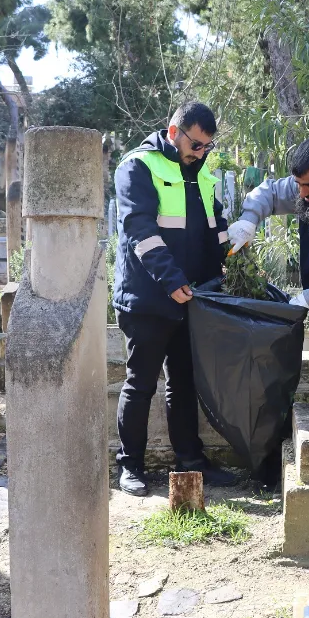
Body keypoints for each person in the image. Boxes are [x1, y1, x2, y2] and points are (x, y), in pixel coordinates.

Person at [112, 102, 239, 496]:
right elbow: (139, 229)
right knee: (140, 384)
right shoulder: (137, 166)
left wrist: (233, 262)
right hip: (147, 298)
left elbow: (215, 225)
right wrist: (171, 280)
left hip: (192, 297)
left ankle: (191, 462)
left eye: (207, 147)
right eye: (196, 144)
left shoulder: (200, 172)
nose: (200, 153)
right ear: (173, 132)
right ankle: (130, 466)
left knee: (183, 383)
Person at [228, 138, 309, 403]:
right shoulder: (304, 187)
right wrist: (248, 220)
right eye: (298, 185)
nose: (302, 193)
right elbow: (269, 192)